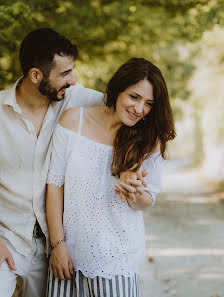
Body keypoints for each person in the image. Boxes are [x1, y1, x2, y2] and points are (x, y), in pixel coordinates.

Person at [0, 28, 106, 297]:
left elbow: (124, 108)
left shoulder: (76, 99)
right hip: (6, 239)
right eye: (64, 73)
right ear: (35, 75)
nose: (73, 80)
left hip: (58, 246)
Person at [46, 57, 176, 297]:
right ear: (118, 89)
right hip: (68, 255)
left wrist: (134, 193)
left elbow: (147, 200)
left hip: (118, 258)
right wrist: (57, 245)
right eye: (134, 97)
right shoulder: (73, 121)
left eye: (149, 103)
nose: (139, 109)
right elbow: (54, 185)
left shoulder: (148, 141)